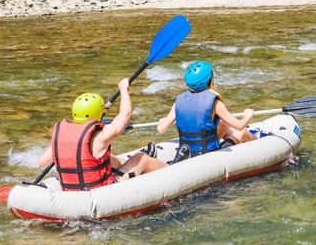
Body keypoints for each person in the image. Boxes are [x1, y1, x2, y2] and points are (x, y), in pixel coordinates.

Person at [37, 78, 167, 191]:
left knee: (110, 158)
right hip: (102, 192)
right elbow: (126, 115)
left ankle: (140, 167)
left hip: (71, 190)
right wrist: (123, 89)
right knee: (141, 157)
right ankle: (170, 169)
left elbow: (41, 163)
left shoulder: (61, 136)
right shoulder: (101, 137)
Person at [157, 61, 255, 161]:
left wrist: (164, 121)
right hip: (207, 156)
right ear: (209, 80)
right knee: (243, 132)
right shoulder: (214, 103)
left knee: (222, 124)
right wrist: (248, 115)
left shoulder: (178, 102)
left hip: (187, 152)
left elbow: (161, 129)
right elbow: (239, 126)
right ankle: (258, 144)